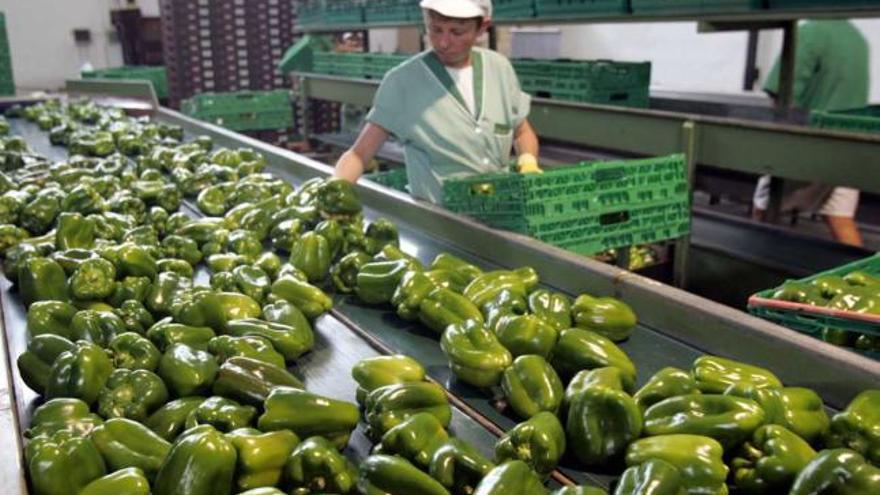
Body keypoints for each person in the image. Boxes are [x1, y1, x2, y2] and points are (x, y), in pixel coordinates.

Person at [333, 0, 541, 204]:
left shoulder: (499, 69)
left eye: (457, 32)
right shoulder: (404, 82)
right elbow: (359, 155)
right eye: (435, 30)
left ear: (482, 28)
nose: (443, 42)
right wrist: (333, 194)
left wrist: (528, 160)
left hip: (502, 211)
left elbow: (521, 131)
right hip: (440, 220)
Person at [752, 20, 869, 247]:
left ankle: (754, 271)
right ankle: (872, 279)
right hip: (851, 145)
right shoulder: (856, 37)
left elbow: (782, 94)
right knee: (841, 218)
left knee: (763, 210)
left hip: (811, 145)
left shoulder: (810, 33)